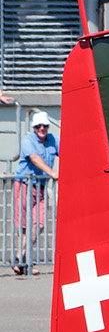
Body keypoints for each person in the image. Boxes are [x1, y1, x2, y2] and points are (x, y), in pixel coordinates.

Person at [13, 111, 57, 275]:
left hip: (40, 188)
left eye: (44, 125)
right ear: (33, 127)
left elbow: (67, 150)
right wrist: (52, 172)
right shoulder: (28, 140)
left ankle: (21, 260)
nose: (42, 128)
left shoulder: (53, 140)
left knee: (39, 224)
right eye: (38, 125)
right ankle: (22, 262)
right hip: (25, 185)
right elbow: (34, 158)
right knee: (25, 227)